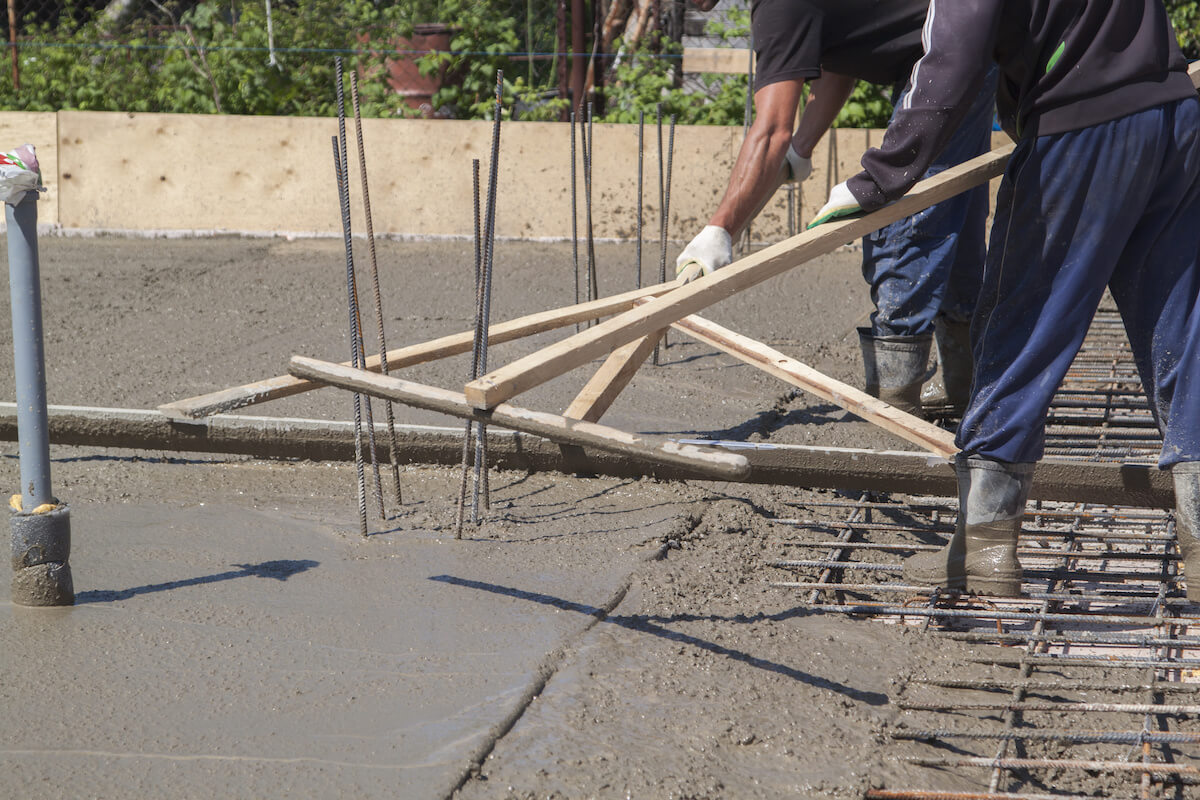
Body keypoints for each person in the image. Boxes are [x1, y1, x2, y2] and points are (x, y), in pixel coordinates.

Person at [811, 0, 1200, 598]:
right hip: (1173, 119)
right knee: (1185, 329)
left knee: (1020, 330)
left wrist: (878, 176)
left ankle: (985, 547)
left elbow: (952, 56)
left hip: (1082, 128)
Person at [677, 0, 997, 417]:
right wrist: (802, 148)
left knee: (907, 219)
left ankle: (894, 400)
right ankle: (965, 385)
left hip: (950, 48)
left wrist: (719, 230)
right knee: (949, 209)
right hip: (973, 42)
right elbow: (842, 59)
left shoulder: (778, 8)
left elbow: (772, 128)